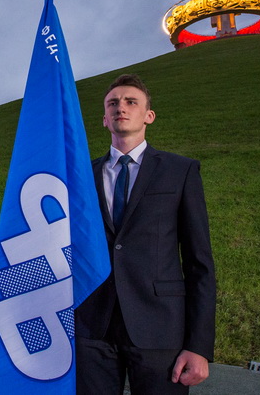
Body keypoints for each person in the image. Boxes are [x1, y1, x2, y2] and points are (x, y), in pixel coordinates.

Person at [75, 74, 216, 395]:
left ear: (148, 116)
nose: (120, 107)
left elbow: (199, 262)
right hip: (92, 326)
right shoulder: (82, 175)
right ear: (104, 119)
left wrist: (199, 346)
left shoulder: (180, 171)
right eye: (113, 103)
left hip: (159, 327)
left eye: (131, 102)